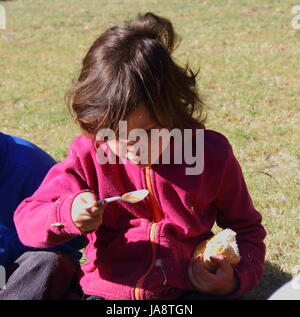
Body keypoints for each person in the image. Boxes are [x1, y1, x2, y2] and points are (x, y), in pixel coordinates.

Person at [14, 12, 266, 300]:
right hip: (107, 294)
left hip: (184, 292)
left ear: (174, 109)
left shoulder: (210, 153)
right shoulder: (89, 154)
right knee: (41, 267)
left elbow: (246, 229)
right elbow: (27, 220)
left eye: (148, 130)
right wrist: (67, 212)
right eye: (114, 132)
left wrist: (235, 278)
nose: (132, 145)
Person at [0, 132, 85, 299]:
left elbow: (74, 238)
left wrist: (6, 247)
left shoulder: (29, 167)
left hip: (24, 273)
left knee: (45, 263)